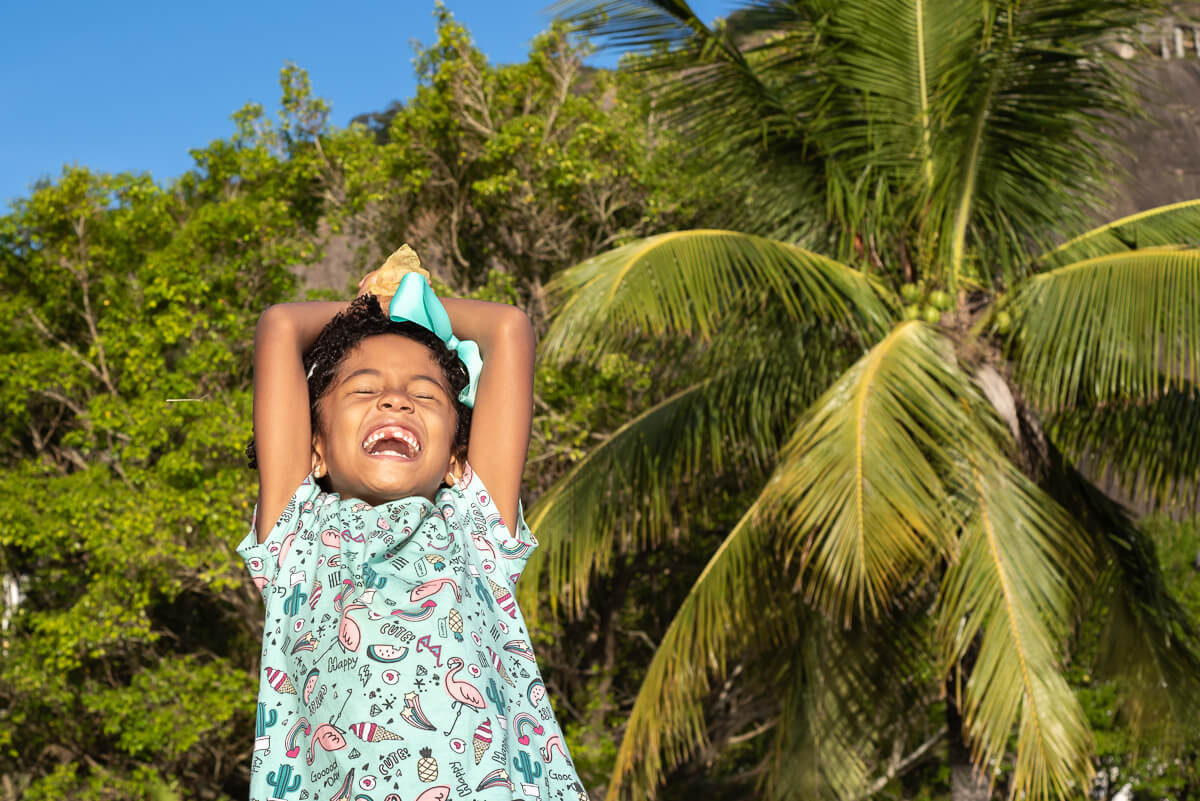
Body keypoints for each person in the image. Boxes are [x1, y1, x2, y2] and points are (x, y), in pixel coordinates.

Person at [237, 264, 588, 801]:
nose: (396, 400)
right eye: (364, 388)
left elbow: (509, 329)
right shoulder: (298, 536)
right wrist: (374, 311)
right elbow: (280, 325)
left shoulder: (473, 529)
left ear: (454, 461)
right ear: (315, 451)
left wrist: (400, 307)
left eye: (425, 396)